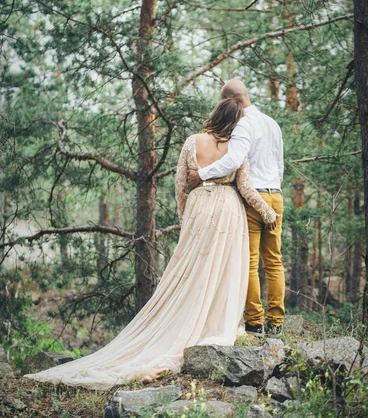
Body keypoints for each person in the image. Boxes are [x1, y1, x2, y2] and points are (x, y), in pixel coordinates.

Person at [23, 99, 277, 390]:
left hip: (199, 208)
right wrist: (268, 213)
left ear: (215, 115)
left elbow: (180, 186)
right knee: (223, 271)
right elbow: (245, 188)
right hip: (228, 210)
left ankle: (185, 322)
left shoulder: (192, 142)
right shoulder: (236, 147)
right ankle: (214, 325)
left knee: (192, 272)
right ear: (236, 122)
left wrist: (187, 220)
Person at [188, 79, 285, 336]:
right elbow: (279, 163)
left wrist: (203, 174)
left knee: (250, 262)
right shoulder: (271, 123)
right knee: (274, 261)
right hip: (275, 195)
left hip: (252, 197)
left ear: (233, 101)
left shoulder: (242, 124)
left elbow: (233, 159)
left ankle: (255, 322)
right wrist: (274, 192)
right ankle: (277, 322)